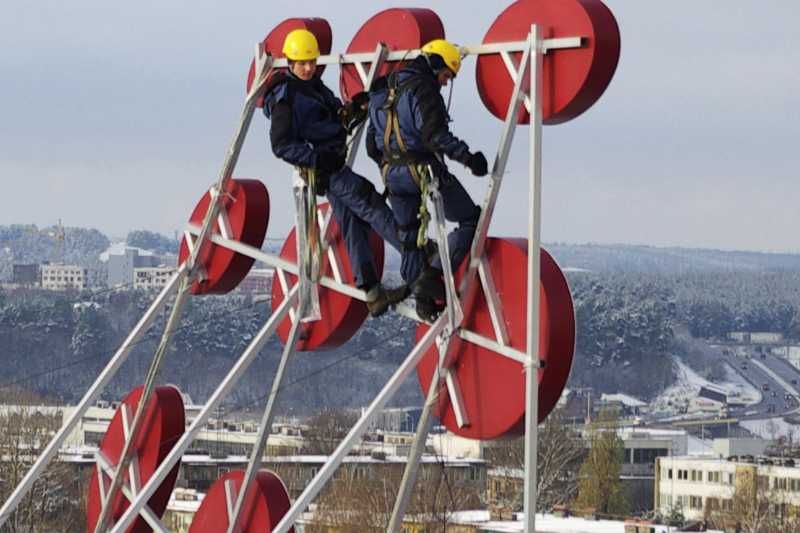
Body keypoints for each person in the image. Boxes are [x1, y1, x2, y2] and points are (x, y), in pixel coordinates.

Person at [263, 29, 408, 317]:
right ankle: (417, 258)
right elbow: (281, 145)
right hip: (325, 169)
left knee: (353, 221)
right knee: (370, 203)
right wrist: (317, 158)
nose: (308, 68)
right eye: (302, 63)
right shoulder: (286, 97)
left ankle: (372, 292)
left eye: (312, 62)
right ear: (290, 63)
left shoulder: (313, 86)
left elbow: (332, 117)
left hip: (330, 163)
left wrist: (352, 109)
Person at [366, 38, 488, 321]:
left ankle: (422, 300)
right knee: (471, 220)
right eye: (446, 76)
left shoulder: (382, 90)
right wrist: (469, 159)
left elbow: (372, 146)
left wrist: (390, 165)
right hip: (424, 173)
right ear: (434, 65)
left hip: (392, 177)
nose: (445, 83)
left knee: (410, 240)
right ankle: (431, 279)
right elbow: (434, 136)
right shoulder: (425, 89)